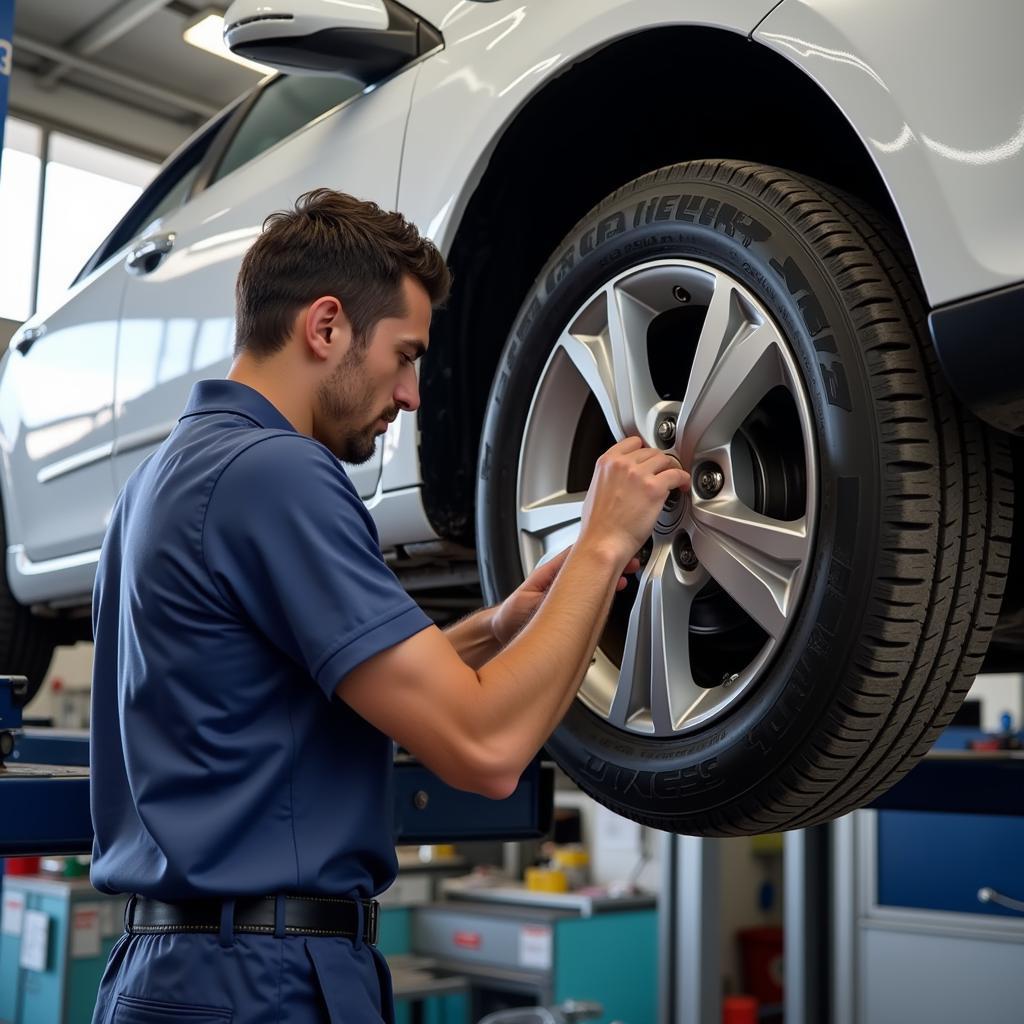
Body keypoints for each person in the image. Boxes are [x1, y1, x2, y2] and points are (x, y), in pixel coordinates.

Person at [88, 188, 689, 1024]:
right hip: (259, 981)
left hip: (179, 973)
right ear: (326, 326)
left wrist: (498, 628)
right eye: (404, 356)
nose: (411, 395)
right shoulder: (279, 473)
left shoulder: (161, 482)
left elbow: (301, 688)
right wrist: (603, 542)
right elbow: (485, 749)